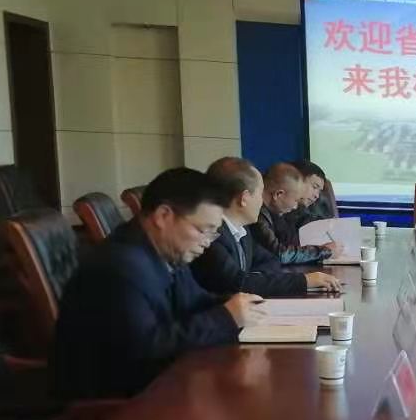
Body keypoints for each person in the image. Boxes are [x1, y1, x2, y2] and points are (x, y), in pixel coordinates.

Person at [53, 167, 266, 400]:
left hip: (161, 385)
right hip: (118, 405)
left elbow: (194, 300)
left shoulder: (165, 251)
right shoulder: (119, 267)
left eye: (213, 234)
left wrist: (237, 305)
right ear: (164, 216)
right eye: (203, 230)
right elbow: (147, 349)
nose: (207, 242)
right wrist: (225, 317)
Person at [191, 157, 342, 298]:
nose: (262, 201)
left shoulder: (243, 231)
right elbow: (237, 284)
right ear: (244, 198)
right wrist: (304, 281)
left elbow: (270, 260)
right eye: (259, 193)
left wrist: (256, 280)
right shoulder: (213, 237)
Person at [252, 162, 332, 266]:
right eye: (295, 200)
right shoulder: (257, 215)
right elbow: (280, 254)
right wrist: (324, 251)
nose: (295, 206)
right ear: (278, 194)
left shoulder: (275, 212)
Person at [291, 159, 336, 225]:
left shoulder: (316, 212)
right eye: (314, 187)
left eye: (319, 191)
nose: (317, 196)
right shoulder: (279, 215)